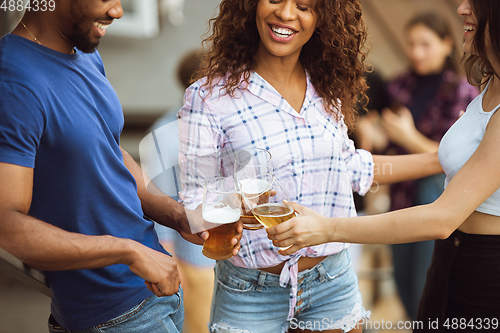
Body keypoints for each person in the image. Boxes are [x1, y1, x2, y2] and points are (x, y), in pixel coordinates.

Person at [176, 1, 442, 332]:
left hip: (332, 282)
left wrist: (438, 159)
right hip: (250, 293)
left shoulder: (326, 89)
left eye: (303, 6)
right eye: (274, 0)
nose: (286, 14)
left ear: (322, 18)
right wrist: (233, 208)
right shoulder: (208, 97)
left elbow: (351, 169)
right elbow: (193, 202)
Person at [0, 1, 243, 332]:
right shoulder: (13, 83)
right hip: (112, 317)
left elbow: (109, 151)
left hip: (155, 294)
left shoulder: (84, 53)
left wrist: (175, 214)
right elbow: (7, 225)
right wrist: (130, 252)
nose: (117, 11)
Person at [267, 0, 500, 330]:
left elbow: (442, 217)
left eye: (475, 2)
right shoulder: (487, 84)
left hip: (486, 270)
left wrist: (326, 228)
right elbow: (441, 160)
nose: (462, 8)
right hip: (450, 257)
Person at [381, 12, 478, 321]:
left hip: (437, 197)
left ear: (447, 43)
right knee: (402, 281)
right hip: (400, 193)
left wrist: (408, 137)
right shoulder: (398, 85)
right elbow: (388, 145)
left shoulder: (463, 92)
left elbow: (459, 157)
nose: (416, 52)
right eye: (411, 44)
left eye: (425, 44)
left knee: (425, 284)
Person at [151, 49, 216, 333]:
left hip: (238, 263)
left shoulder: (224, 123)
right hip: (197, 265)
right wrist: (174, 271)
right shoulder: (163, 135)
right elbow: (159, 215)